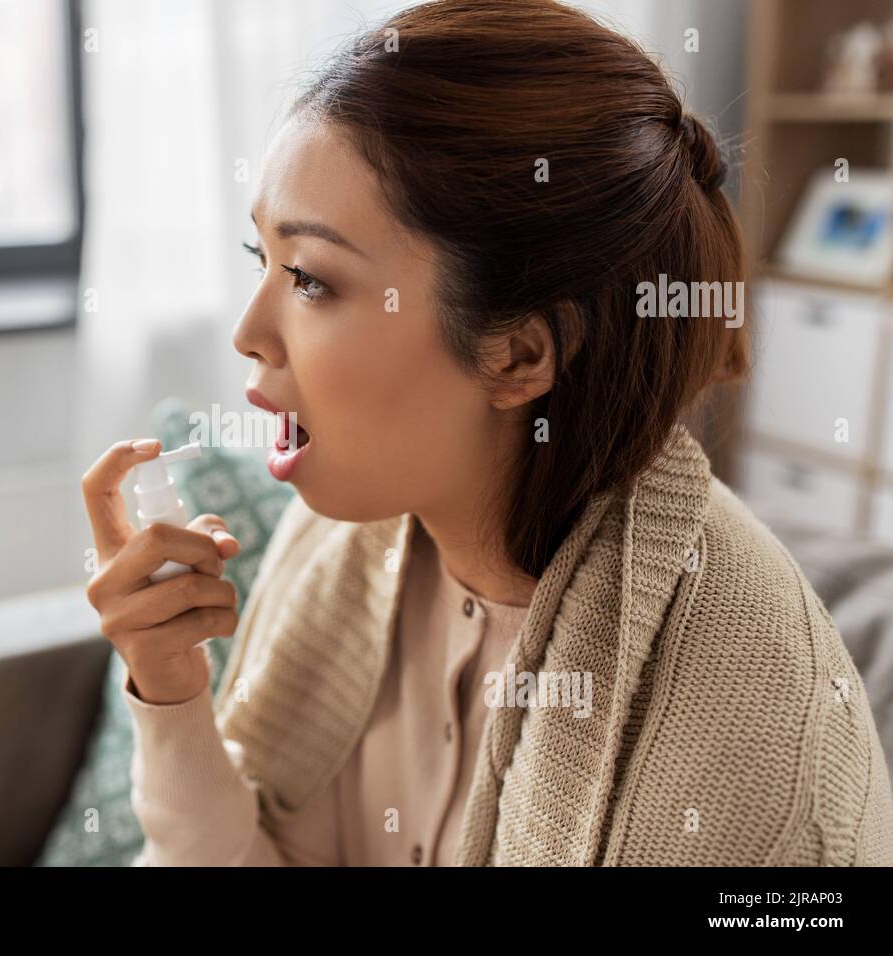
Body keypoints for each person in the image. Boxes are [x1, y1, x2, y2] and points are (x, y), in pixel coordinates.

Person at [81, 0, 893, 866]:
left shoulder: (752, 712)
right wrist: (169, 688)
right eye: (262, 262)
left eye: (312, 279)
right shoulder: (337, 540)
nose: (248, 328)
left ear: (520, 354)